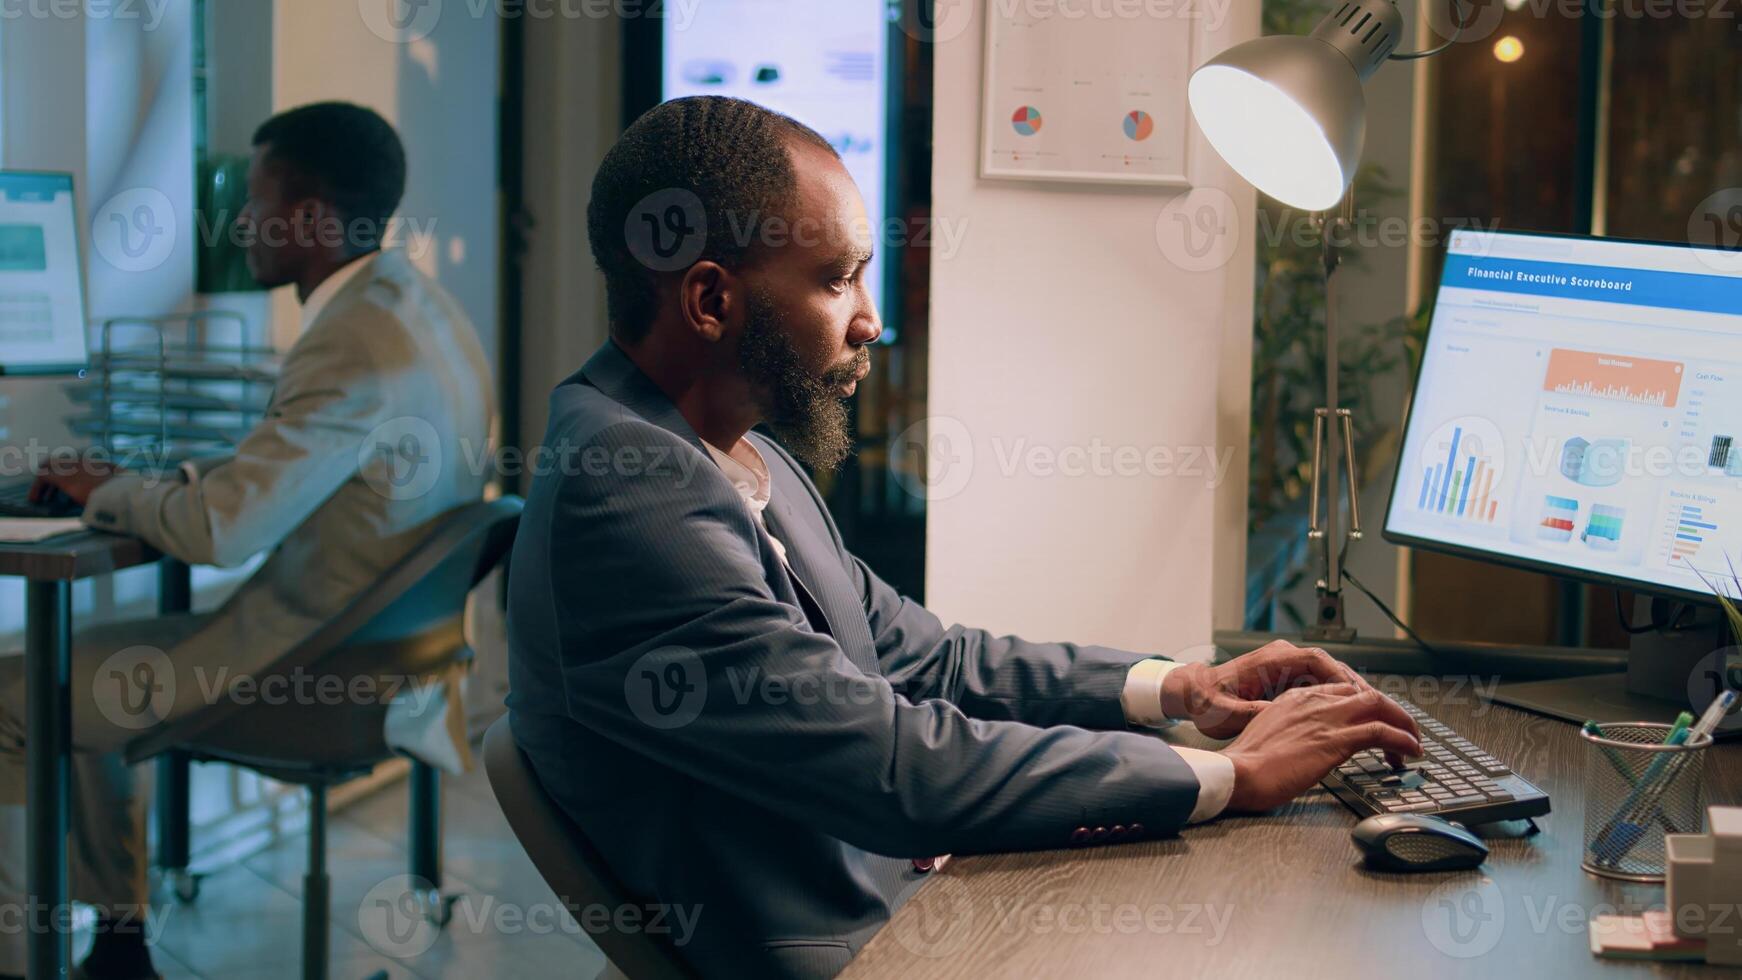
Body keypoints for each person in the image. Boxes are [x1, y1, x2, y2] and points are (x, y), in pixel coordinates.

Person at [505, 95, 1422, 980]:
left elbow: (929, 660)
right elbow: (896, 768)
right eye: (836, 280)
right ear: (710, 300)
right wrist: (1228, 776)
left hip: (899, 898)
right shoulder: (627, 490)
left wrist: (1178, 689)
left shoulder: (732, 454)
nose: (870, 319)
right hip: (852, 949)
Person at [0, 102, 494, 980]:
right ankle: (117, 951)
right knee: (69, 676)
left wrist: (108, 491)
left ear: (306, 218)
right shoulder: (417, 307)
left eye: (256, 199)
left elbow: (222, 531)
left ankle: (31, 954)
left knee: (20, 687)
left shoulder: (351, 343)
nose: (240, 223)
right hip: (401, 660)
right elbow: (282, 476)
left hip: (305, 675)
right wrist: (150, 485)